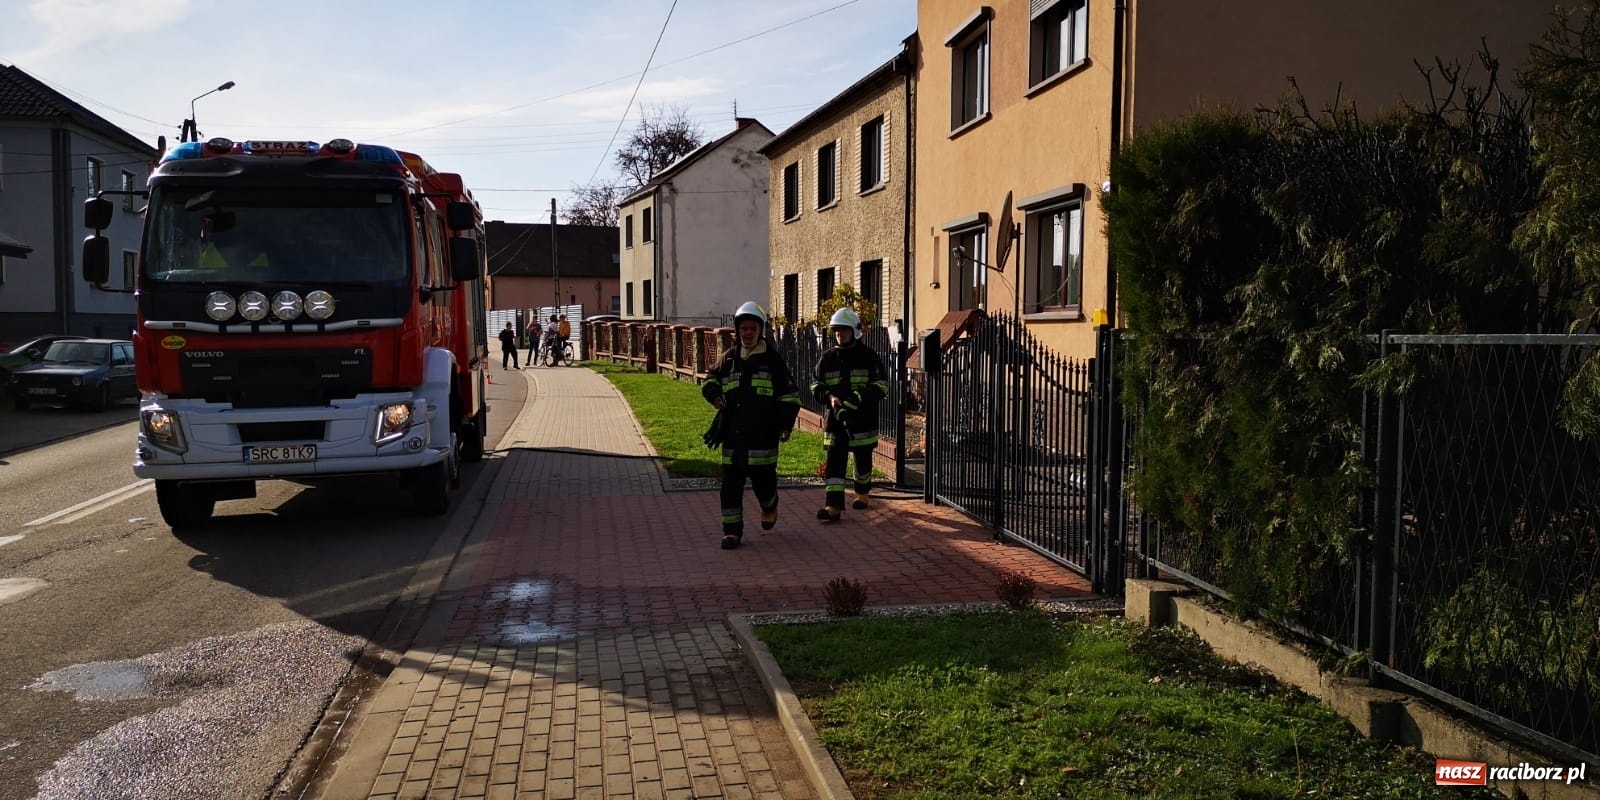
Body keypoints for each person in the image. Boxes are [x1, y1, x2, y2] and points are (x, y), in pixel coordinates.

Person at [701, 302, 801, 550]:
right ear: (737, 330)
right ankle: (732, 533)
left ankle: (770, 504)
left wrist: (785, 426)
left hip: (763, 438)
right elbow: (709, 379)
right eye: (743, 328)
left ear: (760, 330)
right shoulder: (729, 359)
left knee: (763, 484)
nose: (747, 333)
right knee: (730, 488)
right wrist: (714, 395)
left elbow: (790, 398)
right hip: (733, 437)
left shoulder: (773, 361)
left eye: (751, 328)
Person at [810, 308, 888, 522]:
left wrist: (858, 398)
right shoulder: (827, 358)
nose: (839, 334)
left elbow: (881, 386)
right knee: (835, 462)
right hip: (835, 420)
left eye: (843, 330)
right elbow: (815, 384)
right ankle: (833, 506)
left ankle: (862, 492)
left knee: (862, 459)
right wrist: (829, 397)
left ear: (855, 331)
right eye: (836, 331)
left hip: (862, 420)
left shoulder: (869, 357)